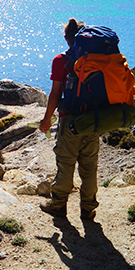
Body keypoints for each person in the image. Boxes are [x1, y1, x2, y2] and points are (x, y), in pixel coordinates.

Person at [38, 18, 100, 221]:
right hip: (93, 119)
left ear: (66, 38)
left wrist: (47, 119)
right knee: (89, 167)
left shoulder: (61, 60)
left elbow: (55, 94)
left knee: (66, 164)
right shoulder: (97, 59)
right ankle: (88, 209)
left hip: (70, 120)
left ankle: (58, 205)